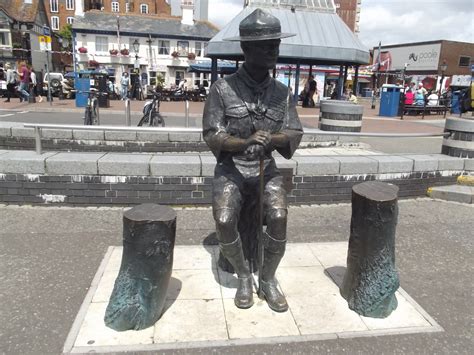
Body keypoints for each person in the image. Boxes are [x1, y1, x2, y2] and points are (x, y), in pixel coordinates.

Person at [203, 9, 303, 312]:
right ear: (246, 49)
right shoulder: (222, 88)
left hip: (265, 168)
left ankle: (269, 278)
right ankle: (245, 276)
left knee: (278, 216)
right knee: (223, 220)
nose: (273, 50)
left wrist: (272, 140)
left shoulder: (283, 93)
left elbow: (294, 131)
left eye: (275, 44)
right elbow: (212, 134)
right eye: (265, 45)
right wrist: (243, 142)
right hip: (231, 168)